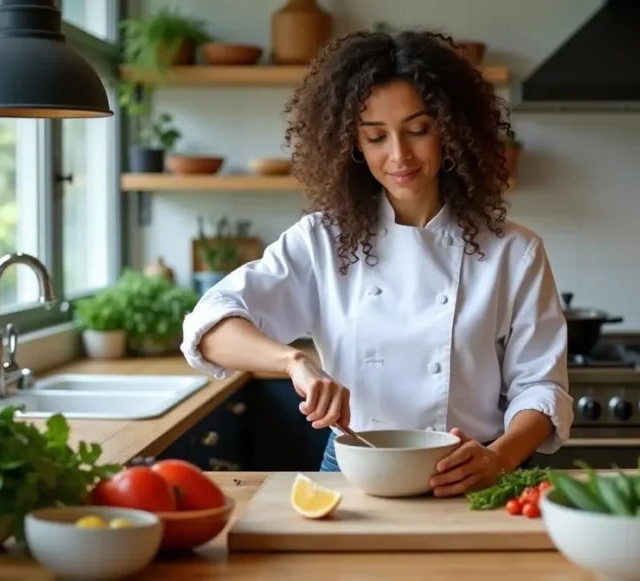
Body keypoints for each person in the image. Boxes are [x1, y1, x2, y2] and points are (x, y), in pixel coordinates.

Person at [180, 29, 572, 497]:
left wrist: (499, 457)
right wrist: (293, 362)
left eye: (418, 130)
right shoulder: (324, 241)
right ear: (353, 145)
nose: (399, 155)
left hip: (472, 469)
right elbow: (210, 323)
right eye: (376, 136)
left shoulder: (514, 251)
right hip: (355, 471)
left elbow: (541, 387)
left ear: (450, 129)